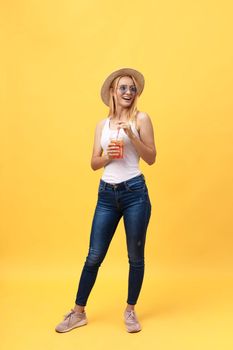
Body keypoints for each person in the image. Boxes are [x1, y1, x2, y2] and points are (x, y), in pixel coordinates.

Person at [55, 67, 157, 333]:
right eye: (123, 87)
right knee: (94, 255)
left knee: (135, 257)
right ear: (113, 91)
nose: (128, 92)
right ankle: (78, 313)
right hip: (107, 195)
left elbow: (152, 158)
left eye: (132, 88)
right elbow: (93, 163)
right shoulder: (102, 125)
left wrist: (132, 135)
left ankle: (131, 311)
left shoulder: (142, 119)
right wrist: (110, 156)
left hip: (135, 193)